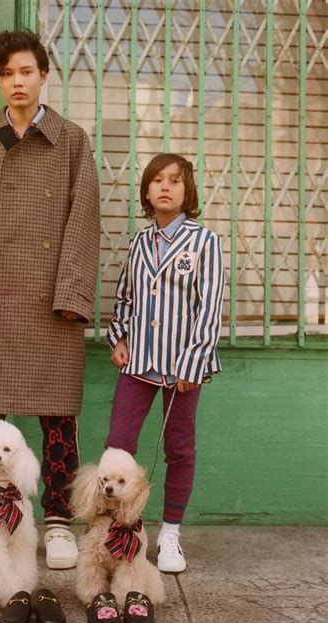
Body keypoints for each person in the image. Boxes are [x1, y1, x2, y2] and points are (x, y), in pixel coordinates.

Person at [0, 30, 100, 570]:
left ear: (43, 74)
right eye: (6, 74)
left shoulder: (71, 140)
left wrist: (72, 294)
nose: (17, 82)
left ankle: (55, 521)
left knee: (57, 416)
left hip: (49, 298)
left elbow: (83, 223)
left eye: (26, 71)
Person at [106, 153, 224, 573]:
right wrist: (118, 336)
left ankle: (170, 533)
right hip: (138, 360)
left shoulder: (204, 242)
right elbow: (125, 297)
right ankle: (120, 528)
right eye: (156, 180)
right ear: (146, 191)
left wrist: (194, 365)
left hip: (182, 369)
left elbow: (209, 309)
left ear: (187, 190)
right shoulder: (140, 242)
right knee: (118, 448)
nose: (165, 187)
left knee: (179, 449)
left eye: (174, 180)